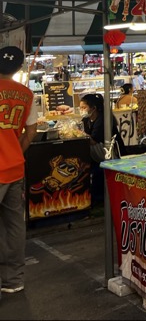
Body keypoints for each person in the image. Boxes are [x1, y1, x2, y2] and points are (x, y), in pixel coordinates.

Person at [0, 46, 37, 295]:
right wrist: (16, 152)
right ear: (19, 68)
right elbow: (31, 132)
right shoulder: (27, 94)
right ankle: (13, 280)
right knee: (14, 225)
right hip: (15, 169)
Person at [80, 93, 126, 203]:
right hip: (98, 155)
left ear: (93, 108)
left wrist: (79, 134)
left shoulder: (103, 120)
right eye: (80, 107)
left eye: (84, 107)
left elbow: (92, 141)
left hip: (111, 154)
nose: (81, 110)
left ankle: (99, 199)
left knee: (98, 171)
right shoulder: (86, 120)